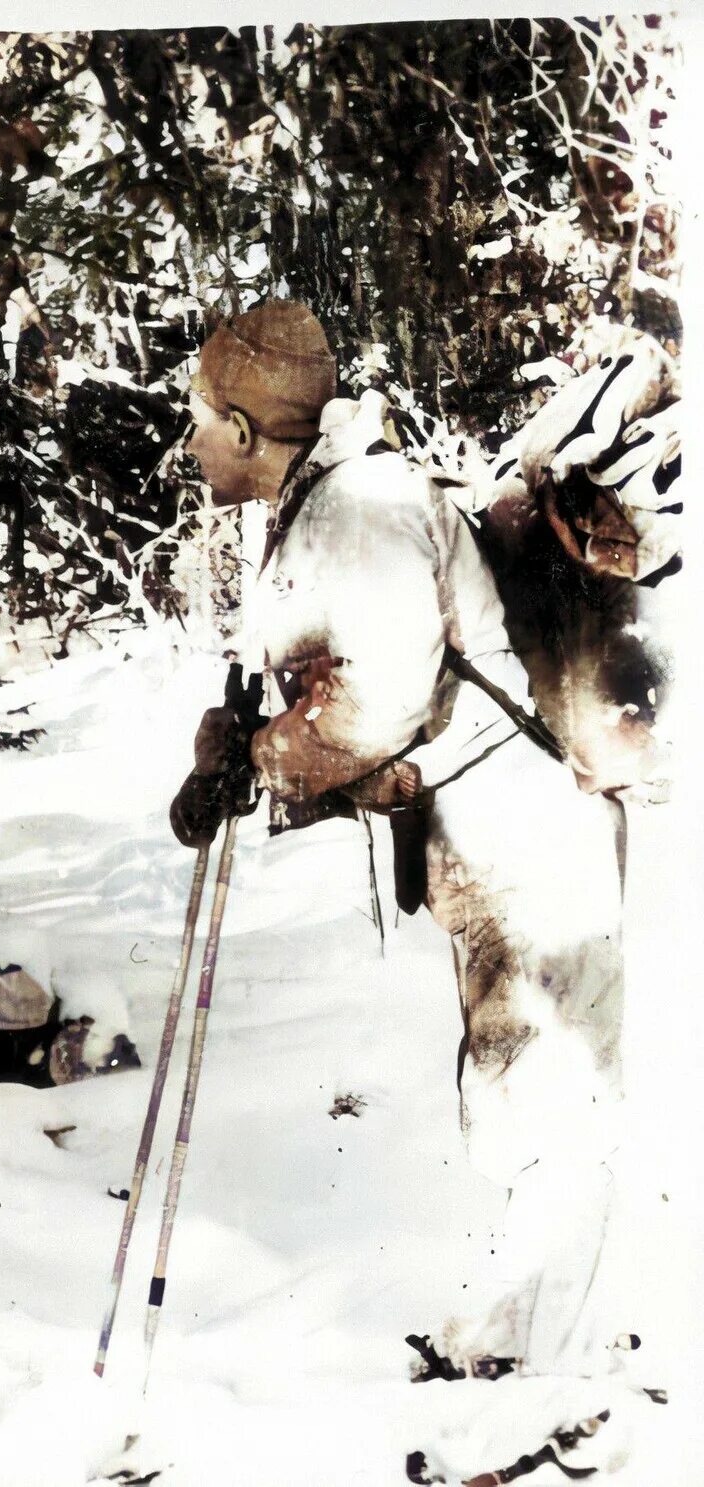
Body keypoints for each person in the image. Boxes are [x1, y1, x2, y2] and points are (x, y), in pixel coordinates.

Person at [171, 300, 627, 1380]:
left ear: (242, 430)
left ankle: (559, 1378)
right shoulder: (323, 504)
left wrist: (267, 759)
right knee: (523, 1086)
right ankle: (520, 1349)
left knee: (546, 1090)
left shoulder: (359, 507)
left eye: (197, 418)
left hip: (519, 828)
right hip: (484, 829)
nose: (188, 441)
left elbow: (380, 701)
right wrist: (234, 748)